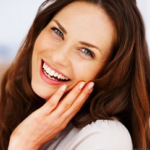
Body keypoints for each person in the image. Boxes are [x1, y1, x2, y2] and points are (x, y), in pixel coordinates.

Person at [0, 0, 150, 149]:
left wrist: (23, 143)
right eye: (57, 32)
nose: (58, 57)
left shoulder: (106, 138)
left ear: (111, 72)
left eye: (86, 51)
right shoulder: (15, 98)